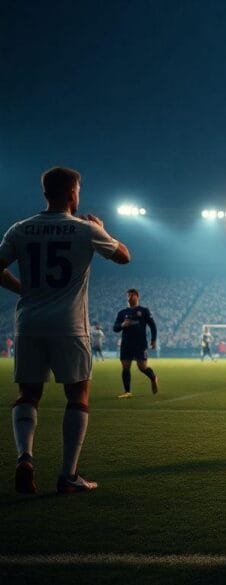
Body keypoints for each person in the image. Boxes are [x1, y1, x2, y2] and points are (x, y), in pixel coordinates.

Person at [1, 166, 131, 494]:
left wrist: (24, 290)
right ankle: (68, 475)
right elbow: (124, 257)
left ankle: (25, 458)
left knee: (28, 394)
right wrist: (103, 229)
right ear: (73, 192)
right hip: (69, 325)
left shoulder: (20, 229)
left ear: (45, 193)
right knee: (77, 395)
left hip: (28, 323)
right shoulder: (84, 229)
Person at [113, 288, 159, 398]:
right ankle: (127, 391)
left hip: (140, 343)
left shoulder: (144, 311)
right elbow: (115, 328)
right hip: (126, 344)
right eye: (127, 296)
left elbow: (152, 325)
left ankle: (153, 378)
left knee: (142, 367)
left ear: (137, 296)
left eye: (131, 295)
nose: (129, 298)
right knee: (125, 367)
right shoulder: (122, 313)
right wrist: (122, 325)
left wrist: (153, 340)